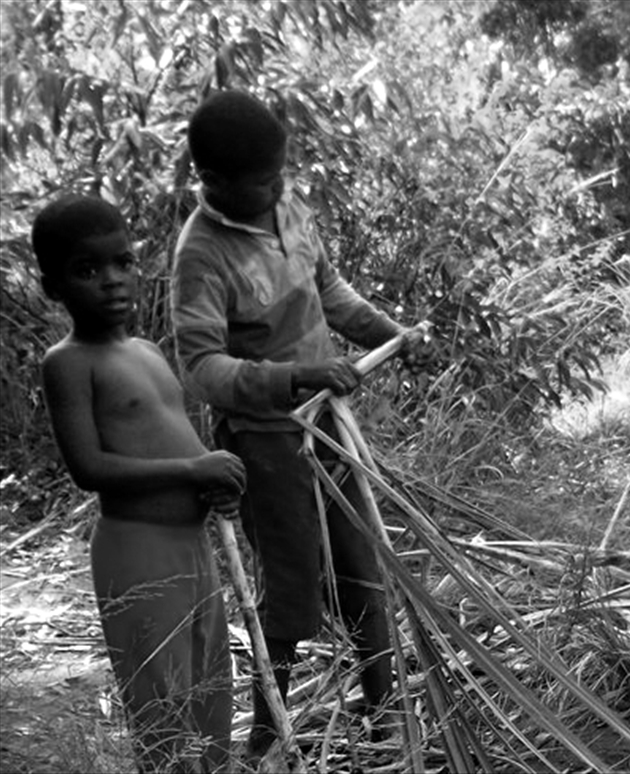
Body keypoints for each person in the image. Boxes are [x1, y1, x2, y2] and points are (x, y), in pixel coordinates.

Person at [170, 89, 431, 760]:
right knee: (289, 589)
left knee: (363, 571)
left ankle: (385, 724)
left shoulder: (287, 205)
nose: (280, 186)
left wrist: (389, 332)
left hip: (329, 429)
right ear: (214, 183)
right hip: (265, 442)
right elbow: (202, 367)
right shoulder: (201, 255)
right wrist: (294, 377)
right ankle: (268, 743)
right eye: (264, 180)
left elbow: (328, 290)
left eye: (281, 172)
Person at [33, 195, 246, 773]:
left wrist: (218, 476)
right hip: (138, 551)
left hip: (193, 550)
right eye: (87, 270)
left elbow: (181, 440)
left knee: (209, 694)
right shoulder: (69, 362)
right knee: (164, 704)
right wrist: (191, 470)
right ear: (54, 288)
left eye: (122, 263)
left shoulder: (149, 352)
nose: (111, 281)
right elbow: (89, 468)